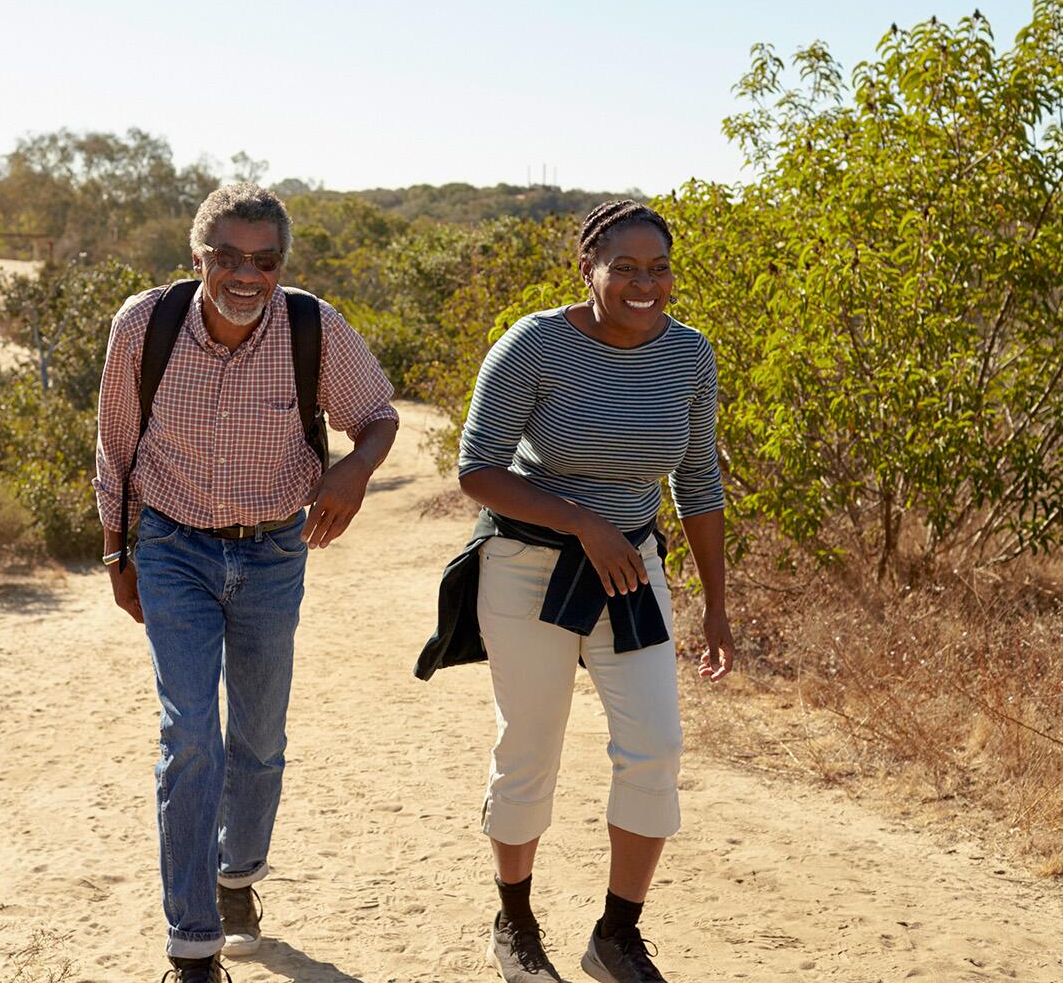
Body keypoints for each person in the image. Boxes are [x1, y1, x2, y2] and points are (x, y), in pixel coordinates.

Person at [93, 183, 399, 983]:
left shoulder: (312, 327)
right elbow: (116, 449)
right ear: (198, 258)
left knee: (257, 743)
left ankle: (237, 878)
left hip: (271, 553)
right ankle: (192, 946)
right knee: (189, 733)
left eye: (263, 260)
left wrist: (353, 473)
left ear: (280, 264)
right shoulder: (144, 326)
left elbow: (378, 415)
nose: (246, 275)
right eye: (227, 257)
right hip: (171, 547)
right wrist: (115, 553)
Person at [449, 200, 732, 983]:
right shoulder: (535, 344)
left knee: (657, 748)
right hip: (528, 567)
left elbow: (699, 478)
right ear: (590, 270)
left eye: (660, 268)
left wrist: (714, 604)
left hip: (632, 573)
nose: (646, 284)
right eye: (626, 268)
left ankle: (617, 935)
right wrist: (582, 521)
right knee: (529, 750)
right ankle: (515, 924)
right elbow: (477, 470)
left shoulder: (689, 355)